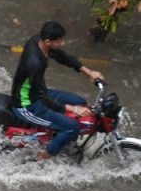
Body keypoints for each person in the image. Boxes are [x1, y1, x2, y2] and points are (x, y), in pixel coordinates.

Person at [11, 21, 104, 159]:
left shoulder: (39, 41)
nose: (62, 43)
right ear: (48, 41)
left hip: (36, 93)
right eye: (59, 40)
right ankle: (43, 156)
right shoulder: (34, 63)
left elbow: (62, 57)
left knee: (80, 102)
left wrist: (89, 72)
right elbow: (42, 97)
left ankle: (59, 139)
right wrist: (73, 109)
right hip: (27, 104)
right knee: (73, 127)